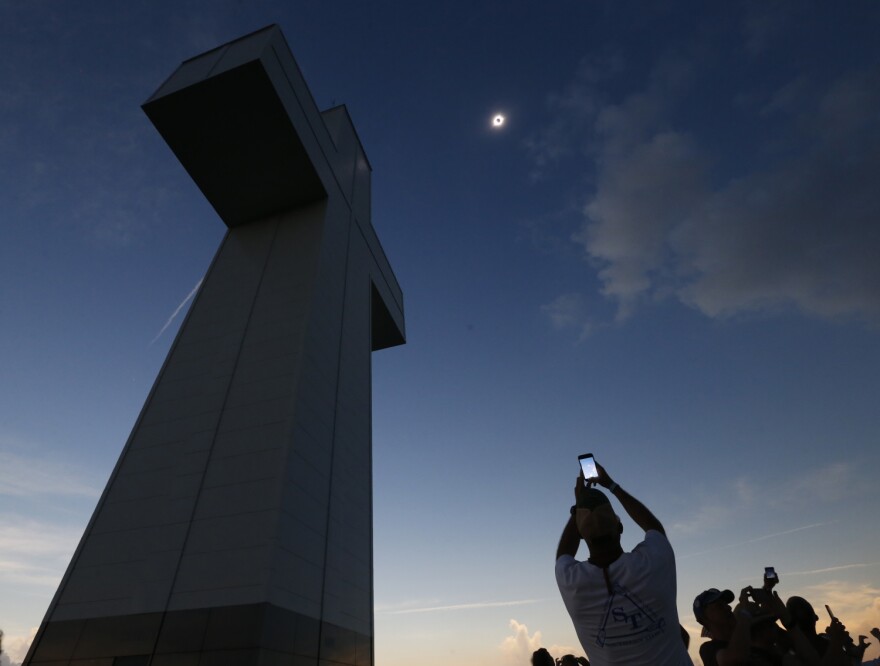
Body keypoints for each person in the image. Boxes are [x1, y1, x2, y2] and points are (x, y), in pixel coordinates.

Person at [555, 462, 693, 665]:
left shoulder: (572, 582)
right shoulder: (653, 563)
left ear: (582, 536)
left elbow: (564, 553)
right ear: (619, 527)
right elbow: (652, 526)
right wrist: (611, 485)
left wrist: (579, 506)